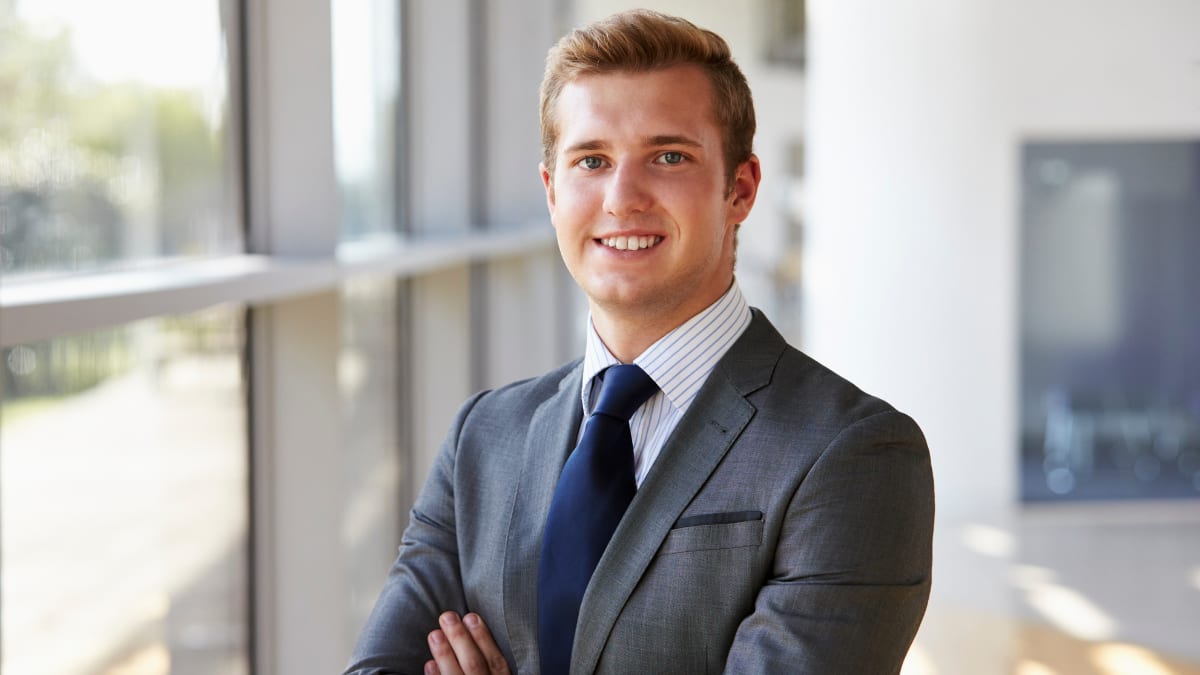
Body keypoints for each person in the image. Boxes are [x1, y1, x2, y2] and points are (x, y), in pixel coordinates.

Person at [345, 9, 933, 675]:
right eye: (591, 160)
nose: (622, 198)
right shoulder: (483, 437)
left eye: (669, 156)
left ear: (739, 189)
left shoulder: (853, 453)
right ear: (551, 191)